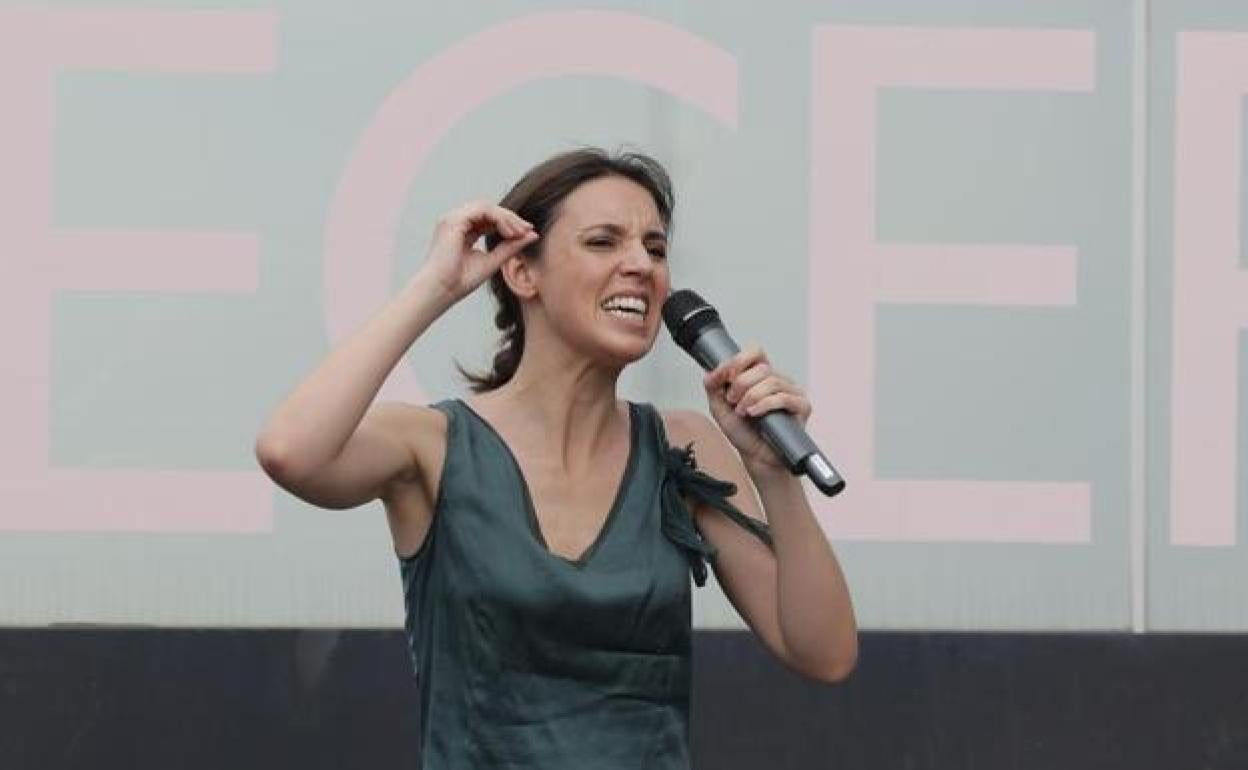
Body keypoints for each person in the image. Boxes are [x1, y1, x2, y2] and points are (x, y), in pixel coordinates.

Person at [254, 147, 857, 768]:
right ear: (522, 273)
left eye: (655, 249)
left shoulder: (683, 445)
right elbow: (289, 452)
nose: (640, 266)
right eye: (603, 242)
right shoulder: (433, 445)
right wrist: (436, 286)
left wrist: (772, 473)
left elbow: (824, 651)